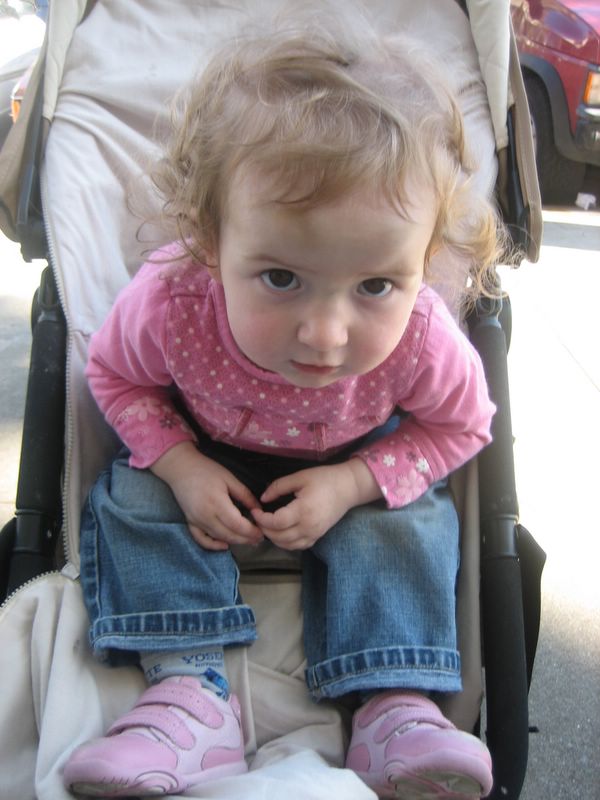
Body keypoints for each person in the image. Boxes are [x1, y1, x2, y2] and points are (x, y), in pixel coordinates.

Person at [63, 19, 503, 800]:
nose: (325, 335)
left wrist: (356, 483)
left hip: (354, 464)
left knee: (410, 518)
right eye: (280, 278)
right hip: (208, 456)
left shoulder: (421, 338)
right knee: (131, 495)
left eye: (376, 286)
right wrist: (181, 466)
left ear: (426, 260)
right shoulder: (171, 303)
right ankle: (189, 690)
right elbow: (116, 378)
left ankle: (393, 702)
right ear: (209, 241)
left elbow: (463, 424)